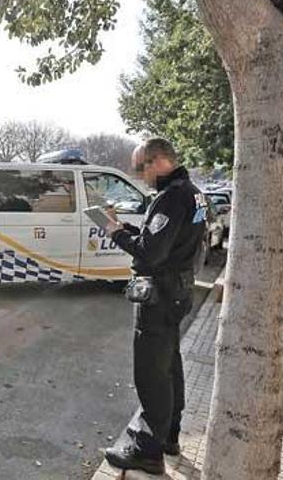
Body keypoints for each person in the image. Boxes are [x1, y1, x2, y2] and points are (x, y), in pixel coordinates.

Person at [101, 137, 207, 475]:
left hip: (159, 295)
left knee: (151, 373)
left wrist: (116, 234)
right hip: (178, 290)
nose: (139, 175)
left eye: (139, 167)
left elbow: (150, 252)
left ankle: (147, 450)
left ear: (158, 160)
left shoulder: (172, 196)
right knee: (170, 365)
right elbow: (166, 239)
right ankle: (170, 435)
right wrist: (126, 227)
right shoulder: (192, 192)